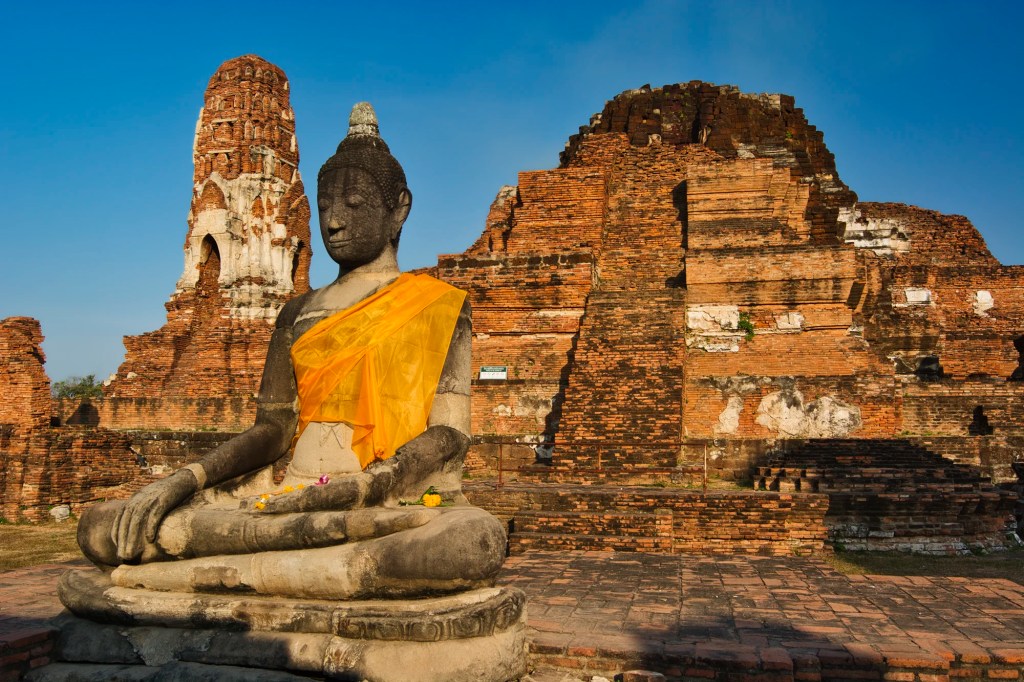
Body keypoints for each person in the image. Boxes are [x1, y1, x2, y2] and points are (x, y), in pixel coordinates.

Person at [76, 103, 506, 600]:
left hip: (384, 501)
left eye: (354, 204)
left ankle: (185, 578)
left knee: (467, 542)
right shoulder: (298, 312)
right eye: (324, 208)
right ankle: (310, 576)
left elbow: (450, 432)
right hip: (295, 498)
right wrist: (181, 481)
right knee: (103, 526)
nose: (335, 222)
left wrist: (372, 484)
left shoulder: (441, 305)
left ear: (399, 209)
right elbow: (272, 429)